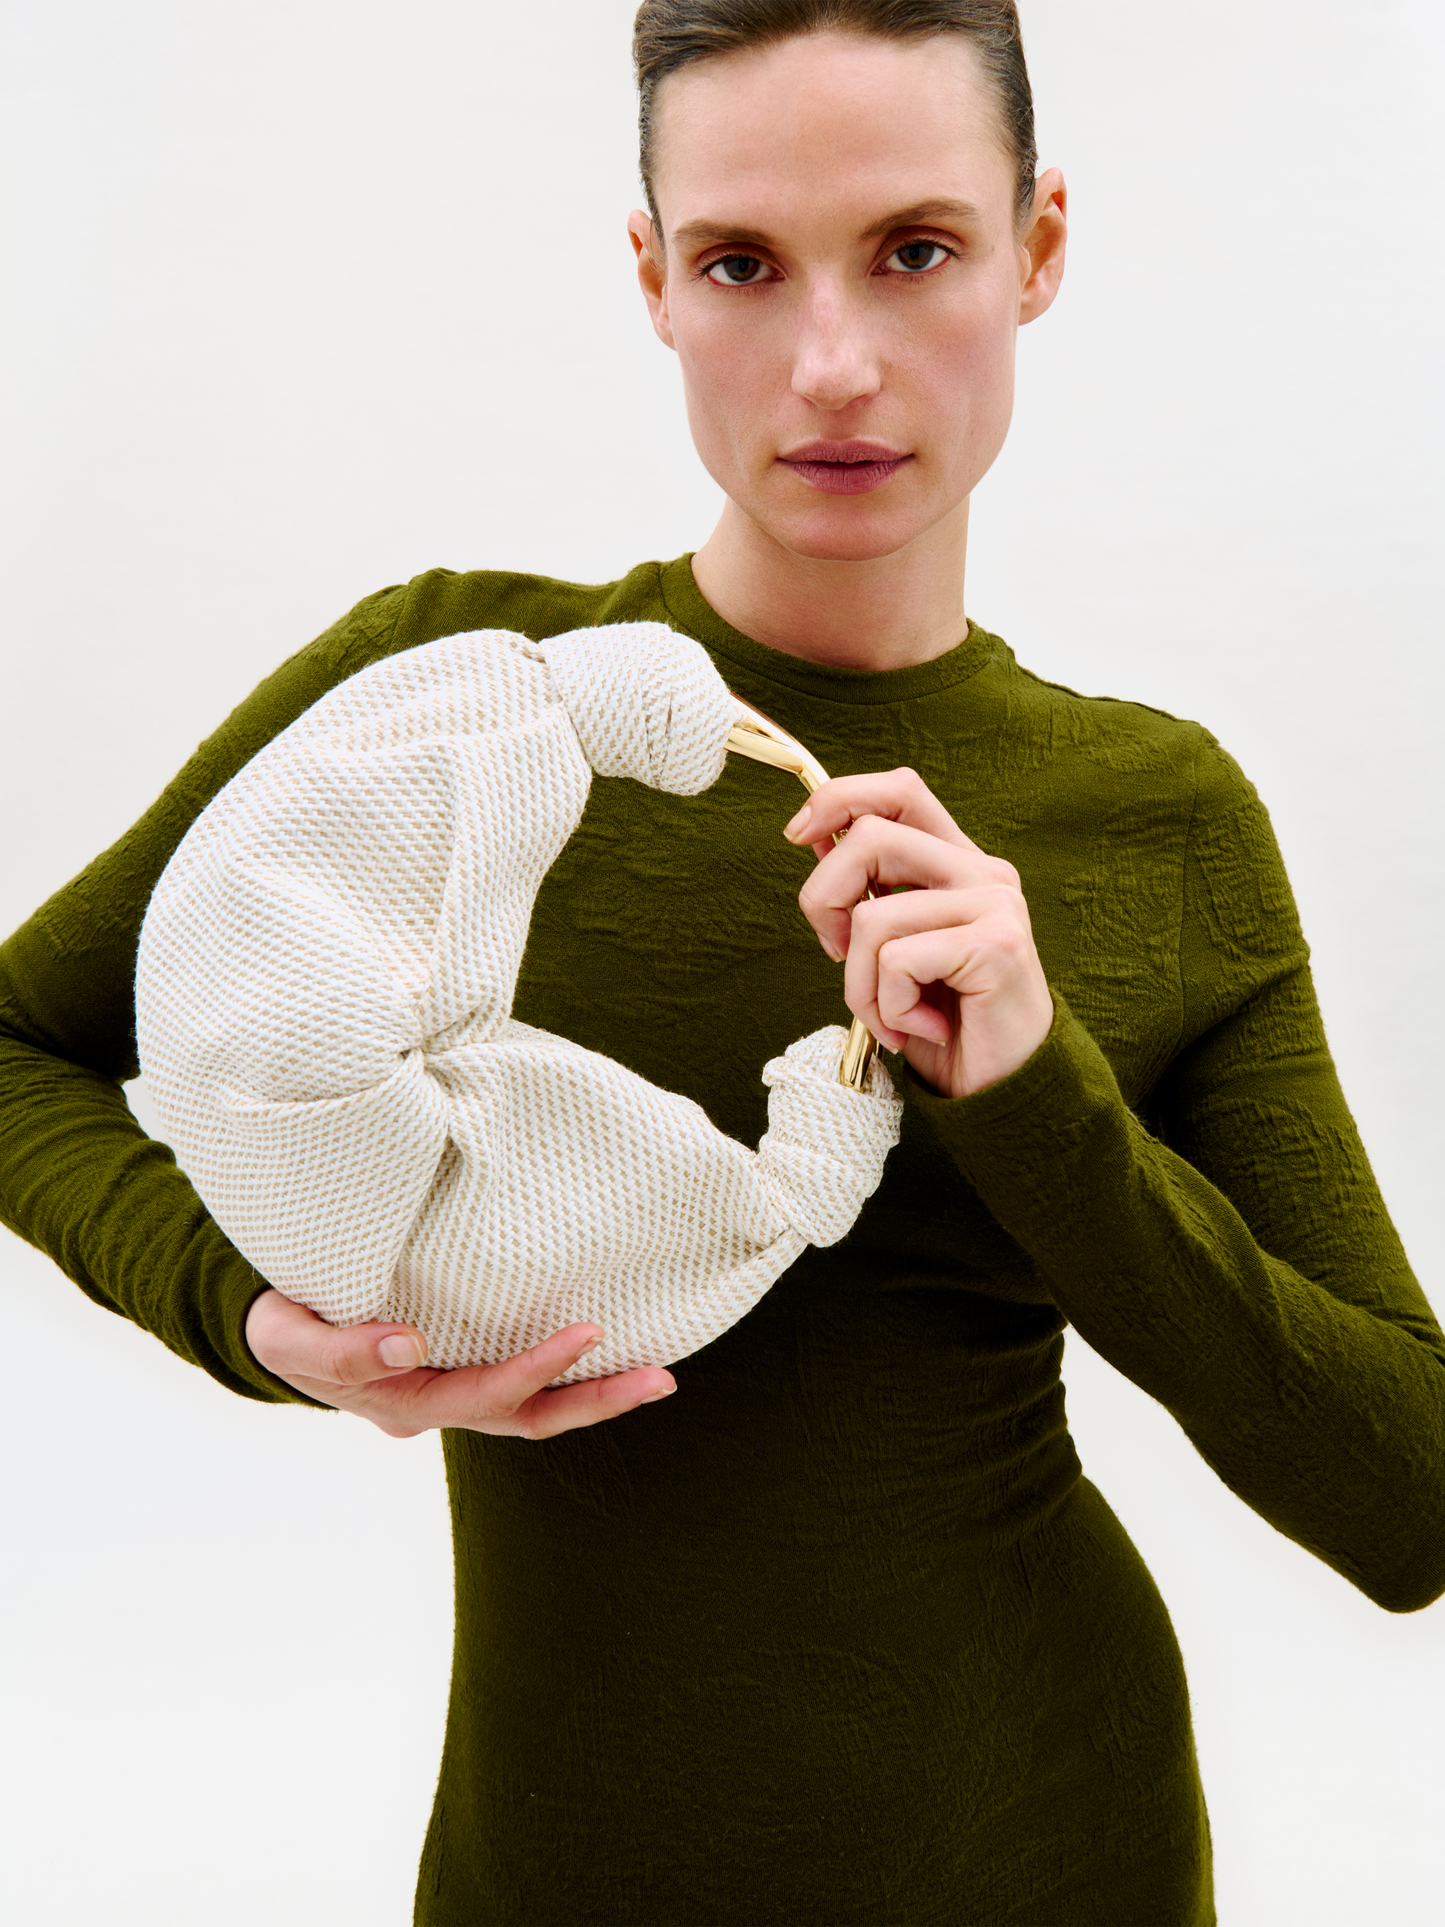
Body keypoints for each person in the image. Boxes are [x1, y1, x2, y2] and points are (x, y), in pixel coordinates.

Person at [2, 2, 1442, 1922]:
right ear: (652, 279)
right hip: (556, 1862)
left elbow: (1404, 1497)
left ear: (1039, 248)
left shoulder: (1160, 819)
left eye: (917, 248)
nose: (832, 363)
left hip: (1049, 1847)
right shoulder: (454, 706)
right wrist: (253, 1318)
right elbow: (19, 1040)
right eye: (742, 264)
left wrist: (1037, 1082)